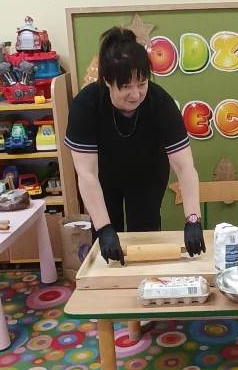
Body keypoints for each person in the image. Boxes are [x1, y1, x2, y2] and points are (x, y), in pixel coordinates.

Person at [65, 27, 205, 264]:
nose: (135, 94)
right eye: (126, 87)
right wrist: (104, 228)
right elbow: (86, 174)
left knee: (145, 234)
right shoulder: (85, 106)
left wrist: (193, 219)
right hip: (103, 176)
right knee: (108, 240)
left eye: (141, 83)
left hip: (148, 173)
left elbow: (185, 167)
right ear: (107, 81)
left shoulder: (160, 103)